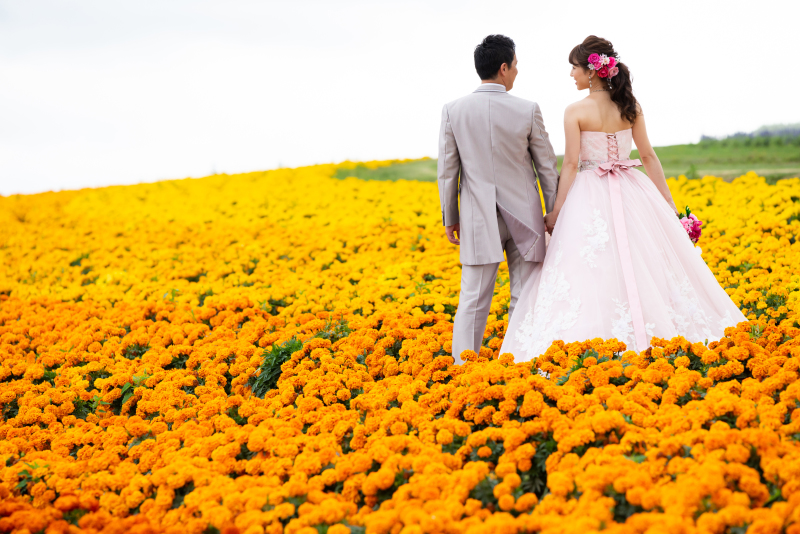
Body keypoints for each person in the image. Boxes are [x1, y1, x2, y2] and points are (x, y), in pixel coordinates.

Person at [500, 35, 746, 362]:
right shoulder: (630, 106)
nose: (571, 75)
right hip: (635, 190)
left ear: (592, 71)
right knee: (645, 261)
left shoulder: (575, 110)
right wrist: (670, 208)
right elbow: (650, 157)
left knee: (592, 266)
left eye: (573, 68)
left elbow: (571, 164)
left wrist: (556, 211)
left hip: (588, 192)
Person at [438, 34, 560, 364]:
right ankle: (519, 362)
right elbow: (546, 166)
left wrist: (450, 217)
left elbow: (449, 171)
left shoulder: (453, 111)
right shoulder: (528, 109)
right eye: (516, 65)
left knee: (473, 298)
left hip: (479, 219)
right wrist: (555, 212)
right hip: (527, 218)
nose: (517, 72)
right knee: (524, 294)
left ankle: (464, 367)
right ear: (504, 68)